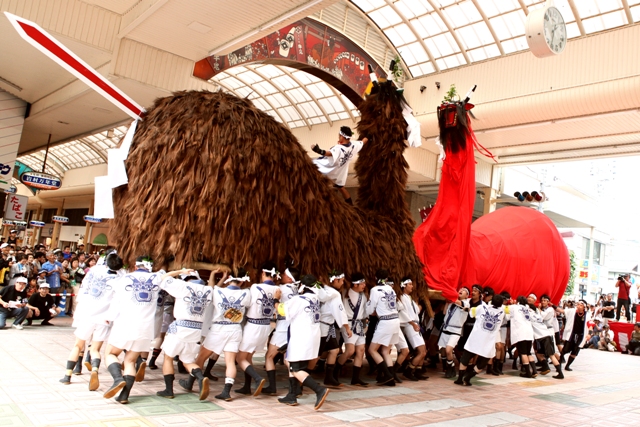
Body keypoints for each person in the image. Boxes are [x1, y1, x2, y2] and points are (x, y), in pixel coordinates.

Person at [102, 255, 163, 404]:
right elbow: (165, 275)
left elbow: (116, 302)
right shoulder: (156, 279)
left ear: (135, 266)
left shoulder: (123, 280)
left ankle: (117, 379)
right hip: (146, 328)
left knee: (110, 353)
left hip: (126, 324)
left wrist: (109, 316)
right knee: (130, 361)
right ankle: (124, 396)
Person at [60, 250, 124, 388]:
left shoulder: (94, 270)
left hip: (86, 314)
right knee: (95, 349)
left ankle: (67, 375)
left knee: (78, 345)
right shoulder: (121, 277)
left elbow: (84, 288)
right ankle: (94, 370)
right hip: (104, 318)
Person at [189, 267, 251, 401]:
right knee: (230, 362)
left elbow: (210, 288)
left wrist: (214, 275)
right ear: (242, 281)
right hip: (235, 329)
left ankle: (193, 383)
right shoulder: (246, 293)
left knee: (201, 357)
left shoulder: (218, 291)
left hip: (218, 329)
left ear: (229, 279)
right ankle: (226, 392)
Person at [155, 268, 214, 401]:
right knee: (188, 361)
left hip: (180, 328)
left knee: (168, 357)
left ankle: (168, 390)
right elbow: (211, 285)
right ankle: (201, 377)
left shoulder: (183, 286)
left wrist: (181, 270)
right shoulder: (208, 290)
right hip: (196, 331)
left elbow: (163, 277)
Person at [275, 274, 330, 410]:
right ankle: (292, 394)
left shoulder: (298, 299)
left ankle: (319, 390)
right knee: (293, 363)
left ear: (301, 286)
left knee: (295, 368)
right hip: (313, 336)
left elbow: (282, 311)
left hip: (301, 336)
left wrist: (275, 300)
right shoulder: (315, 299)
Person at [235, 261, 281, 396]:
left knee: (240, 358)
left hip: (253, 326)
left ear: (262, 273)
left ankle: (257, 378)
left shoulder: (255, 287)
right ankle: (247, 386)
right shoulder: (278, 290)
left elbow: (247, 303)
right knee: (248, 357)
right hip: (266, 326)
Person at [263, 267, 300, 395]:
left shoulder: (280, 289)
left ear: (289, 278)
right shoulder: (298, 290)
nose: (281, 276)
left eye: (284, 274)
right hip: (294, 327)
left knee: (269, 356)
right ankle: (295, 389)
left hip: (282, 328)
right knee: (287, 359)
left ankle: (272, 387)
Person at [455, 294, 505, 386]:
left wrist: (467, 309)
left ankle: (459, 379)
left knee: (465, 359)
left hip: (475, 339)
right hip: (488, 342)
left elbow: (471, 312)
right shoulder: (502, 312)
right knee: (482, 363)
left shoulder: (481, 307)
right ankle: (468, 377)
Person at [311, 126, 368, 205]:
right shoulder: (354, 145)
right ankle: (351, 205)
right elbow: (363, 141)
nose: (338, 137)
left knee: (312, 169)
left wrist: (318, 150)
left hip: (329, 169)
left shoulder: (338, 149)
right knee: (341, 188)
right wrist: (368, 135)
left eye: (339, 135)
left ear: (342, 136)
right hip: (340, 172)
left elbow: (329, 153)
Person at [317, 269, 351, 387]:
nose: (342, 283)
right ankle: (304, 377)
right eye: (341, 281)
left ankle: (329, 378)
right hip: (323, 327)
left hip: (325, 326)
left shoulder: (321, 290)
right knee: (317, 355)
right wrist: (347, 328)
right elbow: (340, 313)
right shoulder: (335, 294)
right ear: (335, 280)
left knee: (334, 350)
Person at [366, 269, 400, 386]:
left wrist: (371, 311)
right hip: (395, 320)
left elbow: (371, 309)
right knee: (385, 351)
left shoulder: (375, 290)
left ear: (375, 277)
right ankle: (391, 378)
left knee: (372, 350)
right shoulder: (390, 289)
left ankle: (388, 375)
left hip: (385, 321)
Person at [336, 272, 369, 386]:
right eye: (362, 283)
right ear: (355, 284)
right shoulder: (345, 293)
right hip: (348, 324)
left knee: (360, 351)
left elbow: (365, 312)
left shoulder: (363, 296)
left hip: (360, 325)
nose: (364, 285)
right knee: (350, 351)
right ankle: (334, 371)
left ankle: (355, 378)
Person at [398, 277, 428, 381]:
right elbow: (403, 313)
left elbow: (416, 311)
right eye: (410, 284)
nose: (412, 286)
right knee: (421, 352)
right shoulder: (401, 297)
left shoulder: (409, 298)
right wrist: (412, 323)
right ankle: (409, 370)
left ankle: (418, 370)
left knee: (424, 350)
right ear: (404, 286)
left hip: (415, 324)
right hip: (410, 325)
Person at [438, 287, 469, 378]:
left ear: (467, 295)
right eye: (460, 289)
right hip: (446, 328)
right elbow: (444, 312)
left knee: (448, 350)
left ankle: (451, 367)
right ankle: (449, 368)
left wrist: (450, 295)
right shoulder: (451, 303)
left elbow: (459, 303)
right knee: (444, 350)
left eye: (464, 290)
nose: (461, 290)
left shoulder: (466, 303)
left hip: (455, 330)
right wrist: (447, 302)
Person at [508, 296, 537, 378]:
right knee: (528, 353)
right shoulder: (528, 309)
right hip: (529, 333)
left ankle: (527, 372)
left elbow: (505, 310)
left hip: (521, 333)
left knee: (523, 353)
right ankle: (534, 371)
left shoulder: (514, 307)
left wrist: (511, 303)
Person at [556, 300, 589, 372]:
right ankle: (559, 364)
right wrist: (553, 305)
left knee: (575, 352)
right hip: (572, 334)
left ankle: (567, 366)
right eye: (578, 304)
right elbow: (562, 311)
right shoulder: (572, 311)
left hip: (581, 336)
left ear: (584, 307)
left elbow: (590, 324)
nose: (578, 306)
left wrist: (590, 334)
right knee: (565, 350)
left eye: (580, 305)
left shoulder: (587, 315)